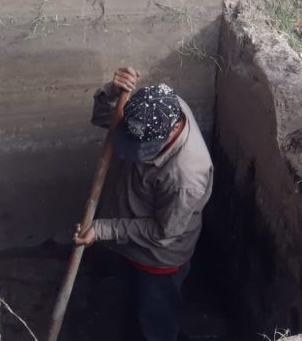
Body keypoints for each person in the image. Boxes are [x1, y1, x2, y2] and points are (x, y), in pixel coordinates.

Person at [73, 67, 214, 341]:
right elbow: (106, 120)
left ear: (174, 129)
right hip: (128, 230)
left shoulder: (187, 178)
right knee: (128, 305)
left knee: (154, 323)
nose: (134, 156)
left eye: (145, 150)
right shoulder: (160, 106)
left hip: (157, 261)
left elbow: (164, 233)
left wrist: (102, 229)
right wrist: (110, 94)